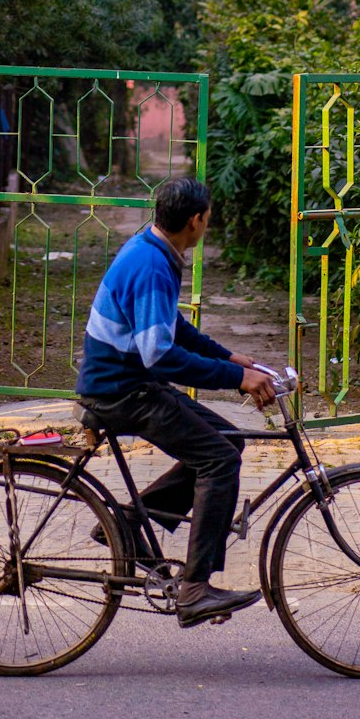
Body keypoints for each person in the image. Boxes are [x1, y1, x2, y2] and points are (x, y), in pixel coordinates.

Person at [76, 175, 276, 628]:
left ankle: (127, 525)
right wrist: (237, 378)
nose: (208, 224)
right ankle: (196, 588)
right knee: (219, 461)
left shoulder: (153, 247)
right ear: (195, 220)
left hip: (130, 380)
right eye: (207, 218)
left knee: (225, 440)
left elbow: (171, 326)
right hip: (122, 390)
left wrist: (226, 356)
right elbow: (160, 354)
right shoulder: (150, 265)